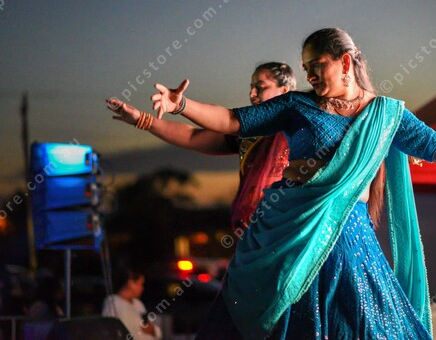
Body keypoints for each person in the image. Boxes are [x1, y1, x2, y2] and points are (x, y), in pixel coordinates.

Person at [111, 27, 436, 339]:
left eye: (317, 66)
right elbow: (232, 120)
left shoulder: (387, 115)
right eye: (305, 67)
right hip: (287, 234)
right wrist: (182, 104)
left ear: (345, 62)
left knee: (364, 324)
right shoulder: (298, 106)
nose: (309, 75)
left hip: (349, 239)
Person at [107, 62, 296, 234]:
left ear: (285, 90)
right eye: (251, 87)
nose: (252, 94)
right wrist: (142, 119)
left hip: (289, 232)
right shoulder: (249, 133)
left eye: (261, 87)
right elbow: (192, 137)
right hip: (250, 233)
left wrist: (181, 104)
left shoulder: (300, 126)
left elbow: (226, 118)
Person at [102, 266, 162, 340]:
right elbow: (109, 331)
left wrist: (152, 330)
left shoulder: (138, 304)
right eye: (140, 284)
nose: (142, 288)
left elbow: (151, 327)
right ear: (130, 283)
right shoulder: (113, 303)